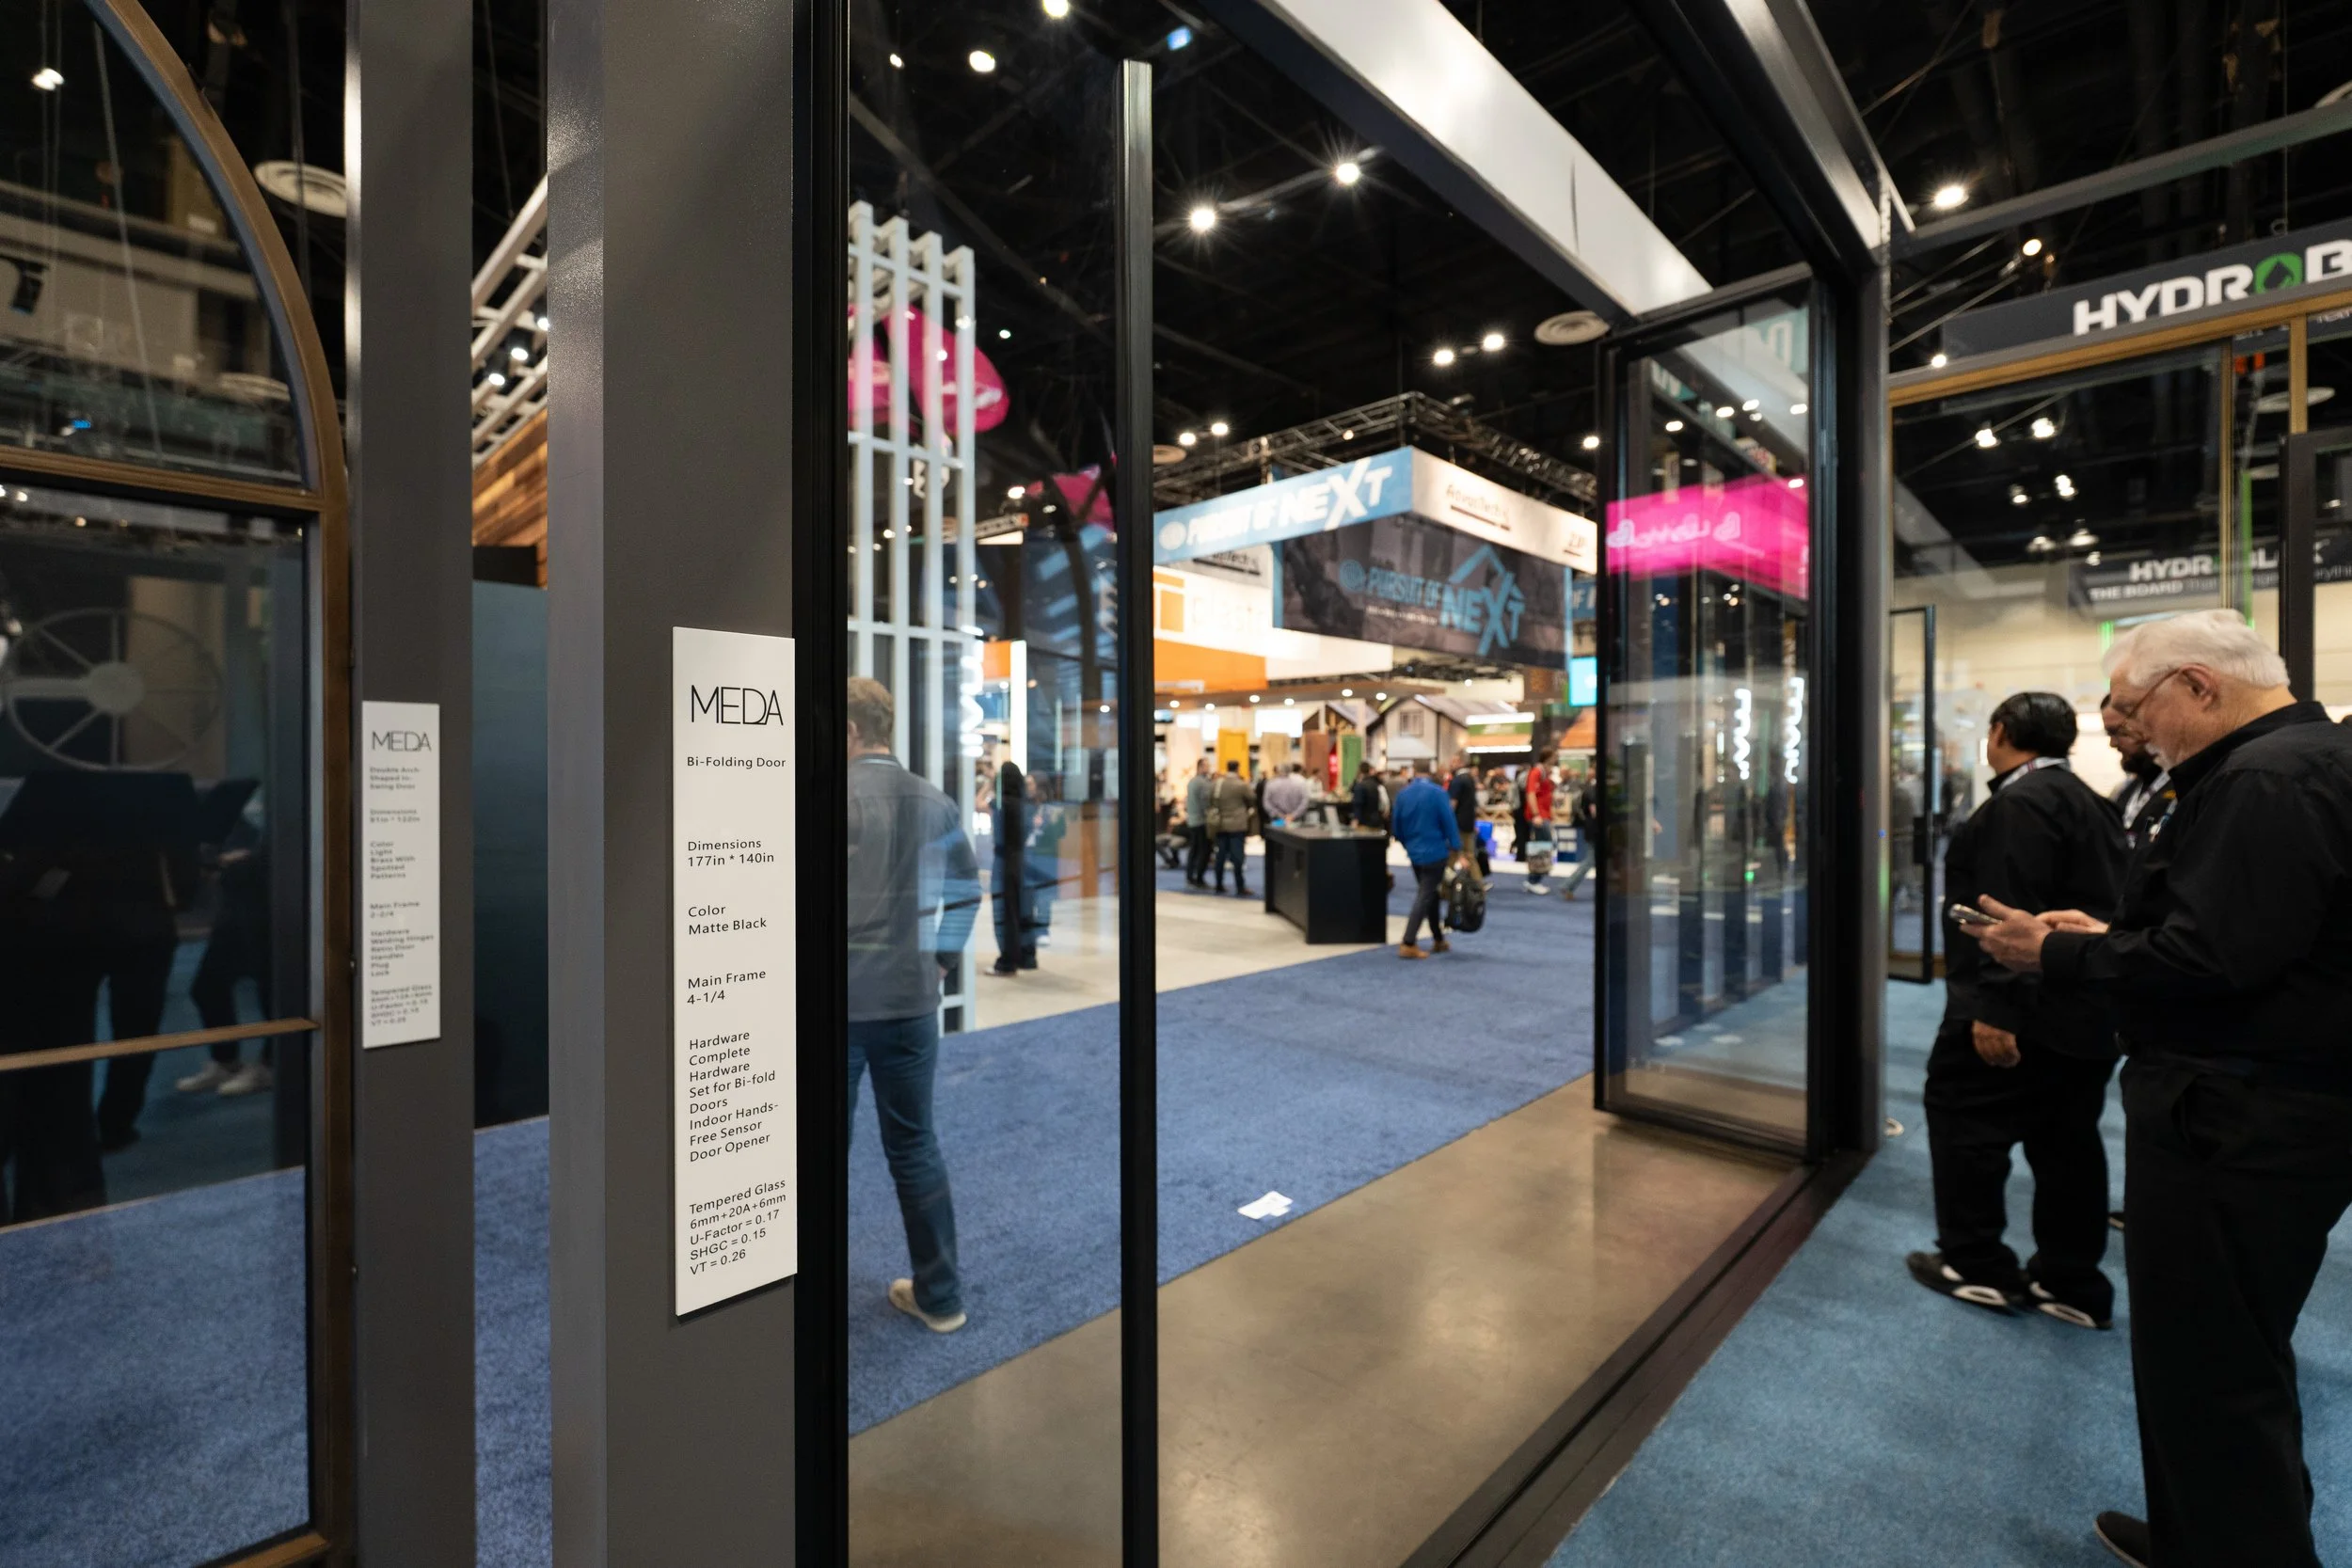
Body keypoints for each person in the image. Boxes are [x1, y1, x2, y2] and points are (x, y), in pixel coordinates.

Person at [1961, 610, 2352, 1568]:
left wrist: (2050, 951)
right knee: (2225, 1354)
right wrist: (2101, 933)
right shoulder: (2297, 762)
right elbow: (2245, 931)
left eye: (2135, 706)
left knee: (2213, 1364)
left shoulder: (2266, 778)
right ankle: (2209, 1533)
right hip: (2263, 1107)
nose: (2129, 728)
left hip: (2236, 1115)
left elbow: (2212, 957)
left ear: (2198, 686)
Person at [1906, 691, 2127, 1330]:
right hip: (2082, 1009)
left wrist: (1994, 1007)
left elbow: (2007, 913)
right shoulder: (2090, 800)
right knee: (2068, 1144)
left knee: (1965, 1124)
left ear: (2000, 731)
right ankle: (2071, 1281)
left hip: (2023, 1009)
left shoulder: (2019, 803)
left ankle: (1975, 1264)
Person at [845, 677, 981, 1334]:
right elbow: (965, 893)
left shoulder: (827, 797)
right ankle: (942, 1296)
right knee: (915, 1145)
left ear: (848, 731)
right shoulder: (935, 798)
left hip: (838, 1006)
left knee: (821, 1150)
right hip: (911, 1004)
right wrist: (939, 963)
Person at [1391, 759, 1464, 958]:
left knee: (1430, 894)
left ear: (1414, 771)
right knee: (1425, 895)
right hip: (1436, 852)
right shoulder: (1438, 793)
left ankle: (1438, 939)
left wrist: (1407, 844)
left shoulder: (1404, 794)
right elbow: (1449, 821)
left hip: (1415, 852)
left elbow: (1396, 825)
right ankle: (1408, 941)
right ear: (1431, 771)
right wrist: (1458, 848)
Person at [2102, 691, 2173, 851]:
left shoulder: (2184, 788)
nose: (2113, 743)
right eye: (2109, 734)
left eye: (2120, 732)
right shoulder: (2125, 790)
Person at [987, 757, 1037, 976]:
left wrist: (989, 784)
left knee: (1004, 912)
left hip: (1004, 861)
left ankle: (1007, 961)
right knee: (1023, 910)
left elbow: (977, 802)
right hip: (1023, 860)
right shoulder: (1026, 805)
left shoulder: (1001, 804)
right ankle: (1026, 956)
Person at [1208, 759, 1254, 896]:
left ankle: (1218, 884)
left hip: (1220, 824)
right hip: (1237, 825)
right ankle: (1240, 887)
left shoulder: (1217, 784)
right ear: (1238, 768)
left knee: (1220, 856)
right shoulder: (1241, 785)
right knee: (1237, 857)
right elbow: (1252, 799)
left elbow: (1210, 800)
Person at [1447, 752, 1489, 877]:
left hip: (1458, 825)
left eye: (1453, 761)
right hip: (1468, 823)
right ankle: (1477, 885)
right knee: (1467, 855)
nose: (1451, 763)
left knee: (1455, 856)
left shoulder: (1458, 780)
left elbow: (1452, 805)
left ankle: (1445, 886)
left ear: (1460, 762)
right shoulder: (1470, 779)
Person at [1522, 751, 1557, 895]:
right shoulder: (1536, 772)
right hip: (1538, 816)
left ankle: (1534, 880)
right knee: (1541, 848)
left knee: (1545, 846)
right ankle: (1533, 880)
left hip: (1544, 815)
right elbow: (1530, 794)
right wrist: (1536, 815)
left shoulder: (1544, 773)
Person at [1561, 768, 1599, 898]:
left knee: (1591, 860)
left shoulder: (1588, 789)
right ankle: (1568, 886)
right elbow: (1595, 813)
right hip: (1595, 829)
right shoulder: (1594, 791)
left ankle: (1568, 887)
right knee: (1590, 861)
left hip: (1590, 828)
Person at [1183, 757, 1214, 887]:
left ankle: (1190, 877)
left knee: (1194, 850)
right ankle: (1199, 879)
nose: (1208, 768)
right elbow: (1205, 803)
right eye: (1206, 766)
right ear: (1200, 767)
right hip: (1201, 821)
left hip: (1192, 820)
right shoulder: (1203, 783)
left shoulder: (1191, 782)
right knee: (1204, 851)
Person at [1263, 761, 1311, 826]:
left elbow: (1266, 803)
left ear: (1278, 770)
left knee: (1277, 835)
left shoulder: (1271, 784)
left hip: (1277, 821)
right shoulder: (1300, 783)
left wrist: (1280, 815)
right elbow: (1305, 802)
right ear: (1290, 770)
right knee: (1294, 835)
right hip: (1296, 821)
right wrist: (1293, 815)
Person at [1348, 760, 1387, 833]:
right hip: (1377, 821)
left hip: (1364, 823)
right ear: (1370, 771)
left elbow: (1358, 805)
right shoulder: (1378, 785)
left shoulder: (1360, 786)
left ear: (1360, 771)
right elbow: (1384, 803)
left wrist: (1355, 821)